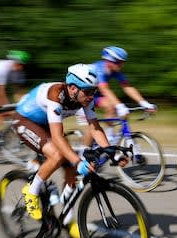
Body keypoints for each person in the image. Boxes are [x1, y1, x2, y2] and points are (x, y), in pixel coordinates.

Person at [13, 63, 125, 221]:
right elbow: (57, 137)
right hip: (25, 120)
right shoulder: (56, 94)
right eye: (88, 92)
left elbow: (94, 127)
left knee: (71, 169)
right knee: (58, 156)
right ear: (73, 88)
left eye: (94, 92)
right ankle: (31, 191)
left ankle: (67, 217)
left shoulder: (84, 96)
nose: (91, 97)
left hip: (48, 124)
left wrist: (112, 152)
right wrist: (78, 162)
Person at [78, 46, 157, 149]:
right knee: (93, 126)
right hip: (81, 97)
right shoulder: (98, 68)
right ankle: (82, 154)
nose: (121, 65)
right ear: (108, 61)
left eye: (122, 62)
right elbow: (104, 89)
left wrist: (144, 103)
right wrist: (120, 106)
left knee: (111, 106)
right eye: (118, 62)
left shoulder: (116, 71)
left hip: (94, 95)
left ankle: (109, 136)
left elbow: (127, 87)